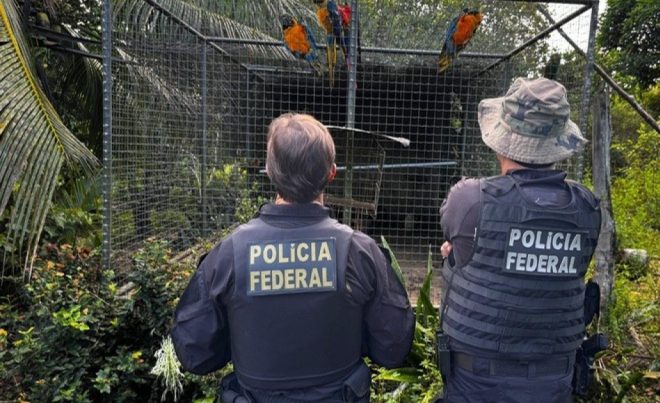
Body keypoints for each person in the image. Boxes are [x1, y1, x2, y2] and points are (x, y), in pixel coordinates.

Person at [171, 113, 415, 403]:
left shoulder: (229, 254)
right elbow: (393, 347)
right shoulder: (359, 251)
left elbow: (194, 352)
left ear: (269, 172)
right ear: (332, 173)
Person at [438, 77, 602, 403]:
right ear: (559, 141)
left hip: (476, 385)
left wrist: (454, 258)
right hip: (553, 384)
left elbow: (462, 246)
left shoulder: (470, 199)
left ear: (502, 140)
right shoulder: (588, 208)